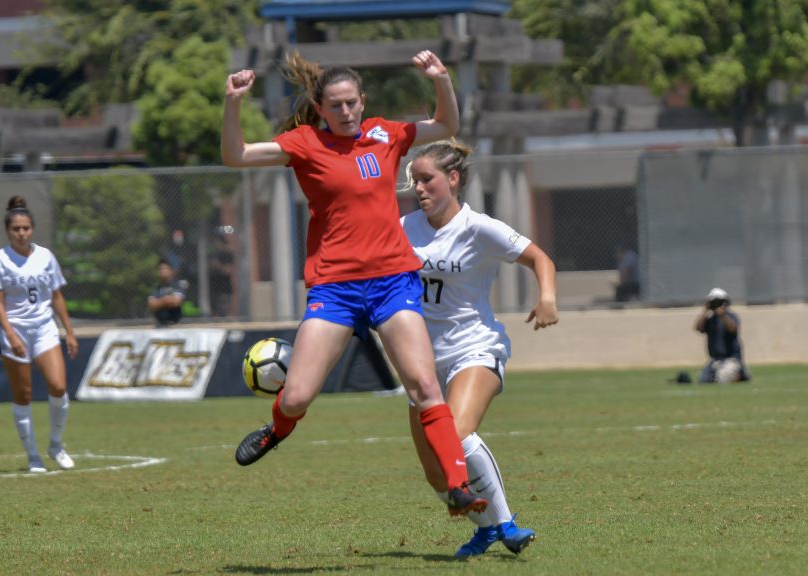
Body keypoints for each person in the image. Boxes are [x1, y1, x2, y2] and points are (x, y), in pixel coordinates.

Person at [222, 50, 487, 517]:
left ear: (363, 101)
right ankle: (277, 430)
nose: (346, 112)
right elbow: (235, 155)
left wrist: (441, 79)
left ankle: (459, 486)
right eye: (336, 106)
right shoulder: (304, 143)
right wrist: (233, 102)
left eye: (351, 103)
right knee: (297, 396)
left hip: (393, 282)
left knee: (425, 387)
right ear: (320, 109)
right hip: (335, 290)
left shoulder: (386, 134)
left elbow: (446, 125)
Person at [400, 140, 559, 557]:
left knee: (454, 433)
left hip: (474, 346)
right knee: (437, 474)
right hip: (421, 360)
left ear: (453, 179)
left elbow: (540, 258)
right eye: (415, 180)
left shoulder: (479, 228)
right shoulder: (403, 228)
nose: (419, 188)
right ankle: (486, 530)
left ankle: (506, 525)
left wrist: (547, 298)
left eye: (427, 179)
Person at [0, 195, 78, 473]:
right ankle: (33, 457)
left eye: (26, 228)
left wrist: (69, 332)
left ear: (32, 229)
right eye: (16, 229)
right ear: (8, 231)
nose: (22, 233)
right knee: (23, 394)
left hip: (44, 327)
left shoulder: (45, 256)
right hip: (15, 330)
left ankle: (56, 445)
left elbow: (57, 296)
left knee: (58, 386)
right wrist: (12, 336)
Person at [693, 287, 751, 383]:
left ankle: (740, 374)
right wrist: (705, 310)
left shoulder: (730, 316)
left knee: (722, 379)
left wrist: (722, 315)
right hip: (715, 359)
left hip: (731, 358)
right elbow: (698, 328)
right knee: (703, 380)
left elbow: (733, 329)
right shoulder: (711, 320)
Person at [147, 258, 186, 327]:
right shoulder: (156, 288)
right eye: (160, 269)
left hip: (176, 325)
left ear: (172, 271)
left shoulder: (178, 285)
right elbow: (151, 305)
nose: (163, 271)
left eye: (165, 268)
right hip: (160, 325)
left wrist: (159, 302)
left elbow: (176, 302)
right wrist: (166, 300)